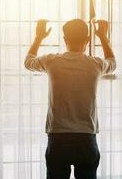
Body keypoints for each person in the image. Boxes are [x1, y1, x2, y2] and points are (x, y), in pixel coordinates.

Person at [24, 19, 116, 179]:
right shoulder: (95, 64)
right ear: (87, 40)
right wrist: (103, 37)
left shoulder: (51, 61)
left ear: (65, 39)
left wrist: (39, 37)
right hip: (86, 136)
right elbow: (112, 63)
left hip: (58, 136)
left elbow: (28, 62)